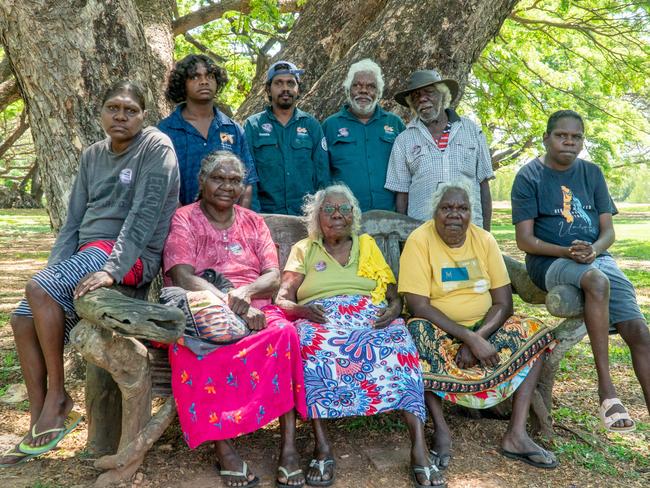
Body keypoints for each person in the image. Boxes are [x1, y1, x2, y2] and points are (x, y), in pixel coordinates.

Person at [2, 81, 180, 466]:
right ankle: (40, 421)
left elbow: (144, 217)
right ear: (100, 113)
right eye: (113, 108)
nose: (120, 116)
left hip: (129, 256)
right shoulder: (93, 155)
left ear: (143, 115)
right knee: (22, 318)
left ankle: (59, 399)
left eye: (130, 110)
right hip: (89, 252)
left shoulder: (155, 147)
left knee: (40, 289)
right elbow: (73, 222)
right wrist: (56, 269)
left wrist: (113, 269)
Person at [276, 184, 443, 488]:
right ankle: (323, 447)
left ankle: (418, 447)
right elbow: (283, 298)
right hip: (321, 317)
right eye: (328, 209)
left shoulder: (366, 245)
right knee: (313, 347)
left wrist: (394, 311)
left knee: (400, 343)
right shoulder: (305, 249)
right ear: (317, 217)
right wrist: (302, 312)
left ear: (353, 215)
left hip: (369, 315)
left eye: (343, 209)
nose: (337, 215)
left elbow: (393, 297)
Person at [162, 151, 307, 488]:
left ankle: (288, 449)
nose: (227, 186)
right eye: (218, 178)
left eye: (234, 180)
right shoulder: (185, 219)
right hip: (204, 310)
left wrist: (247, 293)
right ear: (202, 181)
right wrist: (232, 301)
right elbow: (183, 276)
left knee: (285, 333)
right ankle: (224, 448)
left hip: (256, 309)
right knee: (194, 350)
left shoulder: (252, 221)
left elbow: (272, 276)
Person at [400, 182, 557, 471]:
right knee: (414, 334)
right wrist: (468, 338)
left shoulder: (484, 240)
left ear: (471, 213)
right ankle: (442, 430)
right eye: (447, 208)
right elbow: (418, 305)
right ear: (435, 212)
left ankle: (517, 434)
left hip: (484, 328)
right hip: (438, 328)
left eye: (462, 208)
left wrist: (479, 336)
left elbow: (503, 303)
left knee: (535, 331)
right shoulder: (420, 240)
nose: (454, 215)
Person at [511, 110, 650, 432]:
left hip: (595, 257)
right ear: (547, 138)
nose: (569, 142)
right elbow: (525, 240)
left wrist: (595, 250)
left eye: (576, 137)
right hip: (549, 260)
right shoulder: (529, 176)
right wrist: (567, 251)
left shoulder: (592, 173)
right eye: (562, 136)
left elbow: (608, 231)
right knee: (596, 283)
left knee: (639, 333)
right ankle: (607, 390)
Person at [385, 69, 493, 229]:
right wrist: (405, 238)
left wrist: (486, 235)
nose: (422, 99)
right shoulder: (404, 140)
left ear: (443, 96)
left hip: (470, 231)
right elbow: (402, 195)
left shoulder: (472, 131)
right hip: (423, 234)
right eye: (415, 96)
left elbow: (484, 185)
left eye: (429, 92)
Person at [159, 54, 257, 207]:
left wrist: (237, 225)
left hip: (228, 224)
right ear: (182, 84)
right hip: (180, 224)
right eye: (195, 77)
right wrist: (182, 225)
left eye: (210, 76)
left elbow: (247, 183)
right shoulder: (165, 131)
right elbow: (161, 186)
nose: (204, 81)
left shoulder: (234, 130)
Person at [244, 61, 329, 215]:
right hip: (267, 216)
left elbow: (322, 177)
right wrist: (255, 217)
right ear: (268, 90)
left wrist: (319, 216)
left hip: (306, 217)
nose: (285, 88)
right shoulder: (253, 126)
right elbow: (248, 176)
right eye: (278, 83)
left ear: (298, 89)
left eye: (291, 83)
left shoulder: (312, 126)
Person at [322, 59, 405, 211]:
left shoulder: (395, 124)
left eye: (371, 86)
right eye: (357, 85)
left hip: (389, 217)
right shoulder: (331, 125)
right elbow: (322, 174)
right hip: (344, 218)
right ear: (348, 90)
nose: (363, 91)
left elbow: (407, 171)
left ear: (378, 93)